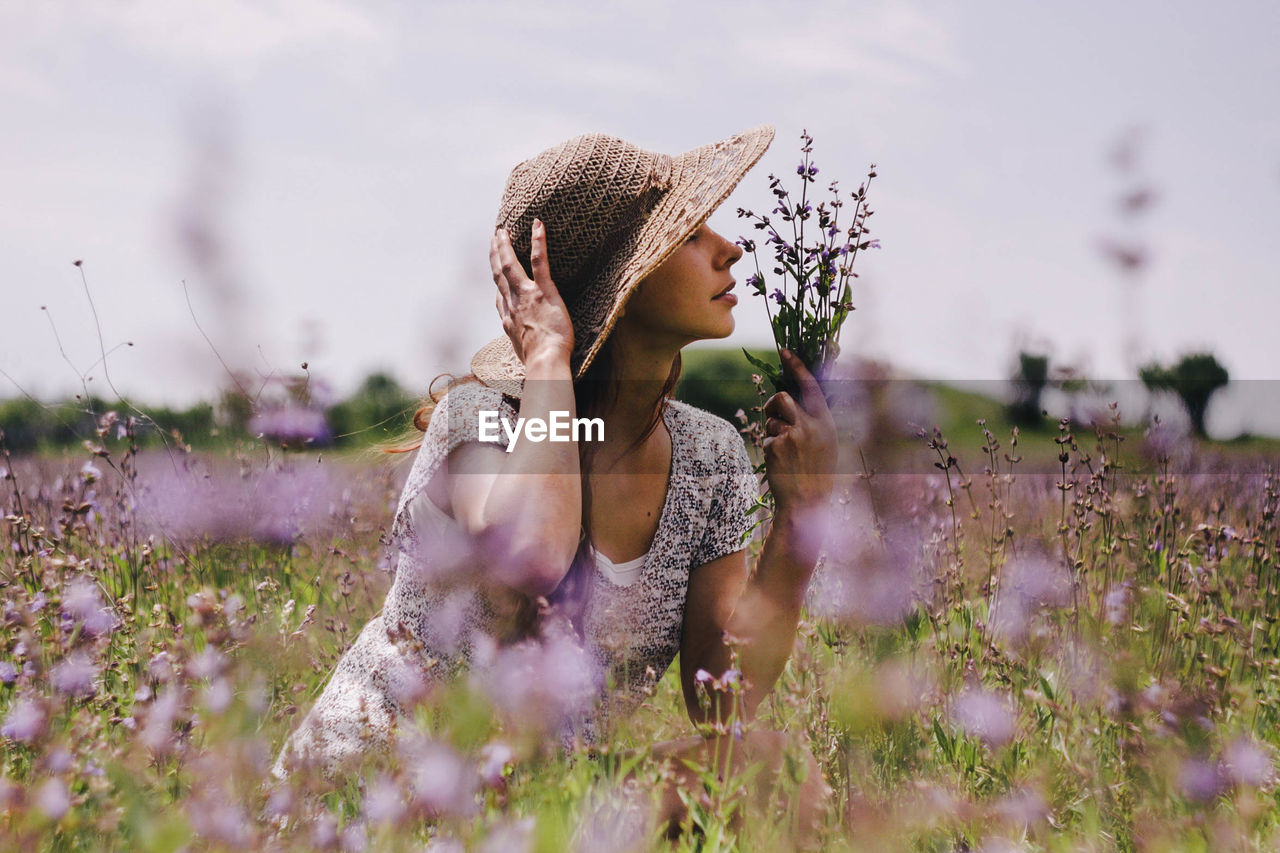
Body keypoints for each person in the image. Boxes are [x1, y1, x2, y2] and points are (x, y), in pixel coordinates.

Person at [272, 124, 837, 835]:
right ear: (620, 280)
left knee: (772, 770)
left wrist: (800, 520)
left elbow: (720, 700)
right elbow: (533, 554)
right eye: (692, 233)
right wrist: (546, 357)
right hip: (380, 789)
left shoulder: (711, 456)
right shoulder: (478, 420)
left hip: (536, 801)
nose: (731, 248)